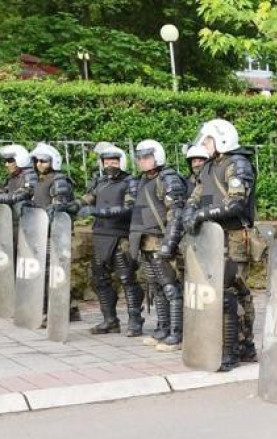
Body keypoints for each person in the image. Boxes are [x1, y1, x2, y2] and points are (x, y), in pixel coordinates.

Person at [183, 119, 257, 372]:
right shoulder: (210, 166)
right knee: (224, 293)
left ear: (222, 139)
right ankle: (244, 345)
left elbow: (235, 204)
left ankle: (232, 351)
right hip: (213, 238)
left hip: (234, 237)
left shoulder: (237, 165)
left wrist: (203, 215)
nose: (203, 144)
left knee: (231, 294)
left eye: (208, 140)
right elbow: (196, 195)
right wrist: (189, 212)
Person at [75, 143, 142, 335]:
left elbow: (129, 207)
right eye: (107, 161)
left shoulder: (130, 181)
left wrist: (99, 212)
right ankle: (110, 320)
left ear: (122, 161)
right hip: (100, 236)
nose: (110, 164)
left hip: (120, 236)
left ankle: (135, 320)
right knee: (100, 280)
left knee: (127, 279)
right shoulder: (100, 182)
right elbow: (86, 198)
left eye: (114, 160)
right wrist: (70, 206)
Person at [130, 140, 187, 349]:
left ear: (158, 157)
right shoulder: (143, 181)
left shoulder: (169, 180)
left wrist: (169, 243)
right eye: (140, 157)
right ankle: (163, 328)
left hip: (161, 241)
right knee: (155, 288)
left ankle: (177, 333)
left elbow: (176, 214)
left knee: (171, 288)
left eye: (147, 157)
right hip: (146, 241)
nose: (142, 161)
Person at [29, 143, 78, 321]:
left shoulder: (58, 180)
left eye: (43, 161)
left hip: (56, 233)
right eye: (37, 161)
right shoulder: (40, 180)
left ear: (53, 161)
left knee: (53, 272)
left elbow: (58, 206)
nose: (39, 164)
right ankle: (70, 309)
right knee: (50, 272)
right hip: (43, 231)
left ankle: (57, 312)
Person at [0, 144, 37, 273]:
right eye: (6, 161)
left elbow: (17, 196)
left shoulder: (29, 176)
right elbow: (4, 191)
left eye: (10, 161)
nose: (6, 165)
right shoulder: (12, 177)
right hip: (12, 223)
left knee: (24, 261)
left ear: (20, 160)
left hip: (26, 225)